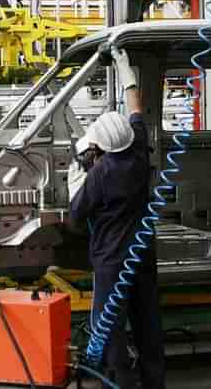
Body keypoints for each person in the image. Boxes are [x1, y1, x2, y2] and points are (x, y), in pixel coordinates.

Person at [69, 48, 166, 389]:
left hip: (112, 263)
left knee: (110, 330)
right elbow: (135, 107)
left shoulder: (100, 174)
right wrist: (126, 70)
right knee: (147, 324)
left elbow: (76, 216)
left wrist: (75, 179)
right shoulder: (139, 148)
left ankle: (123, 383)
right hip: (143, 256)